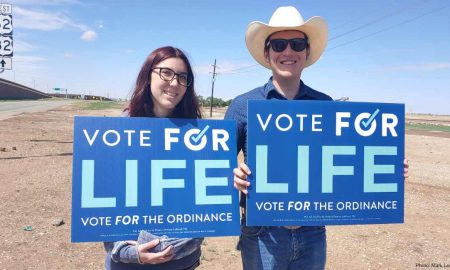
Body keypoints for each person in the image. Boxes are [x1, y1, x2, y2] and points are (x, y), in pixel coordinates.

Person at [225, 6, 409, 270]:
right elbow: (215, 167)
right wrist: (233, 175)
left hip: (312, 231)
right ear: (267, 53)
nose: (288, 51)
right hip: (262, 231)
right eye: (279, 44)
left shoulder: (325, 104)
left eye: (297, 43)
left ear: (307, 52)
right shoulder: (243, 105)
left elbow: (348, 163)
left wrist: (386, 169)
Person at [103, 46, 203, 270]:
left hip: (182, 263)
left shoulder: (198, 135)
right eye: (166, 73)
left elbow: (203, 210)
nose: (175, 83)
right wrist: (129, 252)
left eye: (183, 77)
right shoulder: (117, 132)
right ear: (148, 75)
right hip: (128, 263)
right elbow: (104, 203)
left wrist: (170, 247)